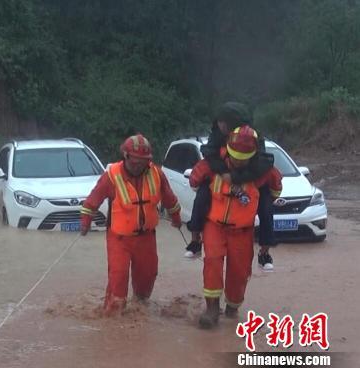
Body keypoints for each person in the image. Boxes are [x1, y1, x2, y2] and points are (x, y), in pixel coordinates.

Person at [190, 126, 282, 328]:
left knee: (239, 273)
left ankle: (232, 308)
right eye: (235, 157)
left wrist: (265, 195)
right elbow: (194, 179)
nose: (239, 162)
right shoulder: (213, 164)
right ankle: (212, 308)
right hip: (214, 226)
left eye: (244, 158)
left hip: (243, 231)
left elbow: (277, 185)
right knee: (212, 262)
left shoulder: (262, 171)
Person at [80, 134, 182, 315]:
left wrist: (176, 218)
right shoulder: (111, 176)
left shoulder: (157, 174)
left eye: (143, 162)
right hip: (119, 239)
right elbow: (93, 200)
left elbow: (169, 198)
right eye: (135, 162)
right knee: (118, 278)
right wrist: (85, 221)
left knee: (147, 277)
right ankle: (113, 318)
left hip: (146, 238)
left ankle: (139, 312)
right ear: (125, 157)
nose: (138, 166)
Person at [185, 102, 278, 271]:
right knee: (201, 197)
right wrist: (224, 172)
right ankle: (195, 240)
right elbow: (209, 155)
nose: (220, 125)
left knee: (266, 208)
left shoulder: (252, 135)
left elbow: (262, 163)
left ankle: (265, 253)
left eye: (223, 122)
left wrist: (237, 178)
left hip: (250, 176)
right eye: (219, 121)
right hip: (221, 173)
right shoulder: (217, 133)